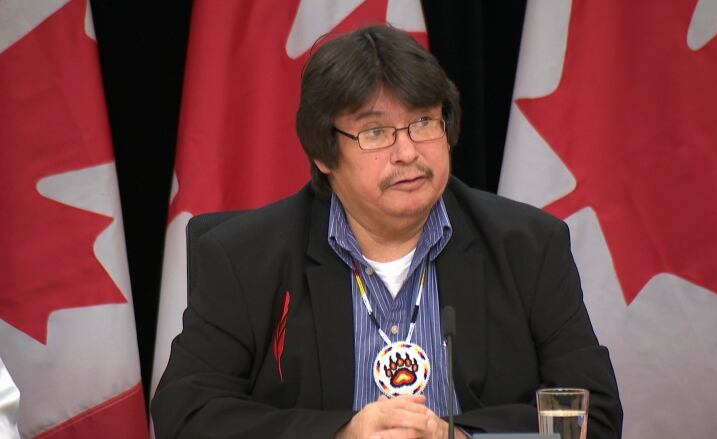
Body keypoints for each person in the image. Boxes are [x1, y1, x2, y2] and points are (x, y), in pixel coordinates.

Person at [151, 25, 622, 438]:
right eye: (375, 132)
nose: (407, 152)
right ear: (323, 152)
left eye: (422, 122)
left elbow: (591, 416)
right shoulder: (245, 258)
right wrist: (342, 435)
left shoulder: (527, 246)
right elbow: (185, 414)